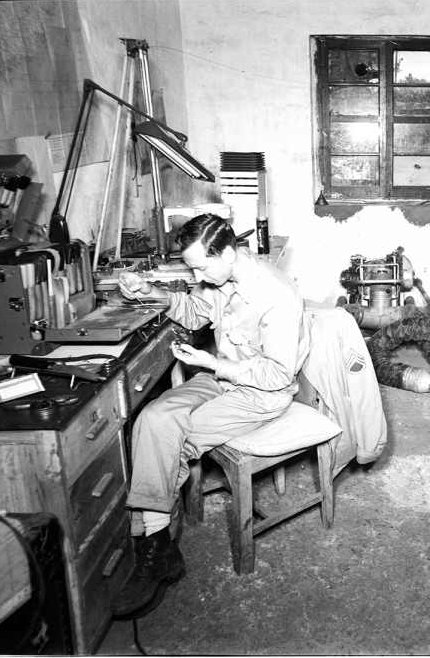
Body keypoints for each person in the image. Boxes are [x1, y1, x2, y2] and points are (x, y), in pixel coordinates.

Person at [112, 213, 310, 618]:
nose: (197, 273)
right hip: (224, 379)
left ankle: (155, 550)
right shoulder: (223, 278)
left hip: (261, 394)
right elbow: (195, 311)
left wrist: (212, 364)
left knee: (171, 438)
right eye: (192, 267)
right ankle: (160, 545)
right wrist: (151, 292)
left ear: (229, 252)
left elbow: (277, 374)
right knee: (152, 418)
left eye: (201, 265)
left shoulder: (276, 295)